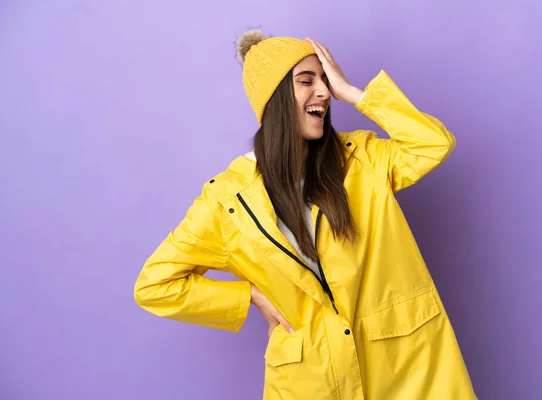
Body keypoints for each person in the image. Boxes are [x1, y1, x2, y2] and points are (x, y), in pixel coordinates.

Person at [133, 29, 477, 400]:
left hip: (403, 367)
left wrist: (356, 94)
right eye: (306, 81)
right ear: (276, 98)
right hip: (309, 380)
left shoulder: (362, 159)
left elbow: (433, 143)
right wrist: (248, 296)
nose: (325, 92)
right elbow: (155, 286)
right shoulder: (226, 201)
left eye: (326, 81)